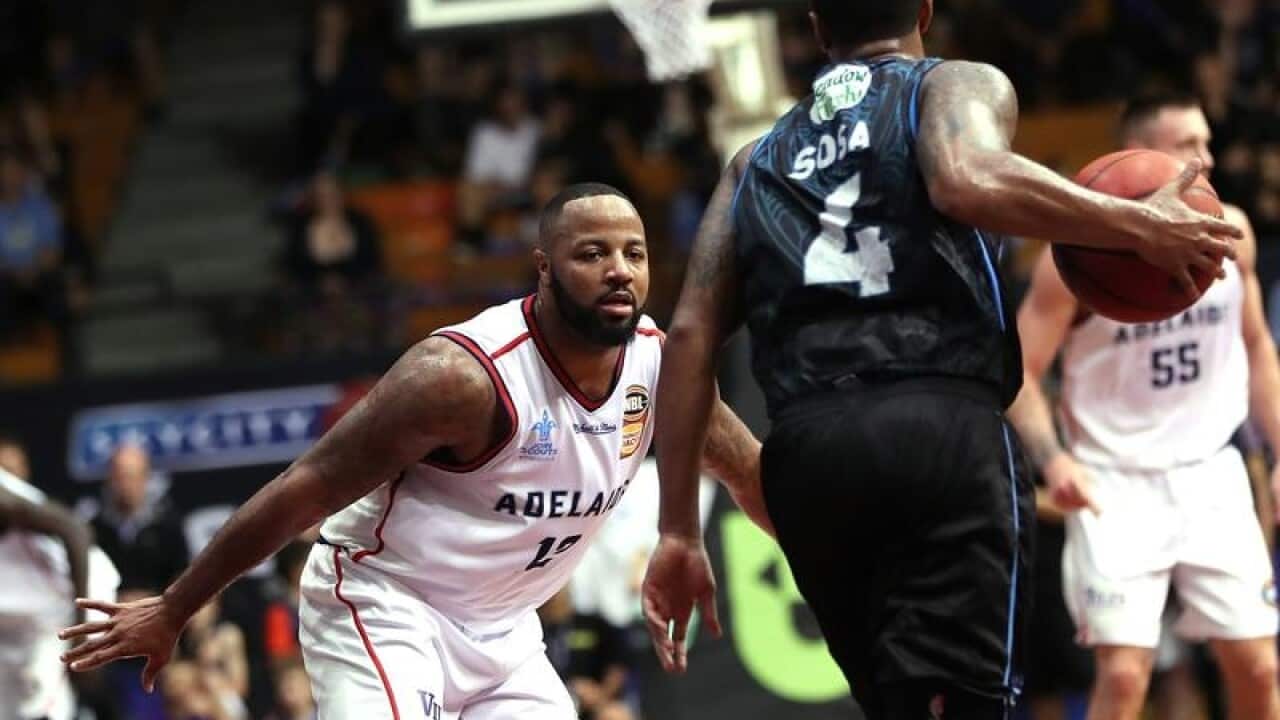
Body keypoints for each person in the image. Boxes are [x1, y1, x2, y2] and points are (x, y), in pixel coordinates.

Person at [640, 1, 1243, 718]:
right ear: (926, 10)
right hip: (940, 427)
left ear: (815, 26)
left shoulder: (755, 160)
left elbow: (685, 340)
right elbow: (965, 176)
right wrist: (1140, 224)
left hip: (810, 455)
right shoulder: (949, 84)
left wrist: (677, 527)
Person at [60, 183, 767, 718]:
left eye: (634, 253)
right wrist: (176, 607)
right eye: (592, 253)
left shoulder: (660, 370)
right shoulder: (461, 377)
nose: (620, 270)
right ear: (544, 269)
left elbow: (753, 477)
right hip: (385, 600)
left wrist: (858, 577)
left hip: (504, 632)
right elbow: (307, 486)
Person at [1007, 91, 1280, 720]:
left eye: (1207, 143)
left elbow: (1258, 345)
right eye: (1188, 146)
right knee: (1126, 679)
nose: (1206, 159)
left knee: (1259, 666)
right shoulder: (1076, 259)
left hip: (1210, 472)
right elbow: (1018, 368)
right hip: (1115, 483)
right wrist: (1055, 462)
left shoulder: (1234, 236)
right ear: (1143, 157)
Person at [0, 462, 119, 720]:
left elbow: (76, 530)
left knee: (48, 706)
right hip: (18, 616)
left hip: (67, 599)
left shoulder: (3, 497)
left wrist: (81, 627)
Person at [89, 443, 189, 598]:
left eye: (132, 476)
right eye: (120, 477)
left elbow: (182, 574)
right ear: (110, 479)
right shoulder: (94, 530)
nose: (126, 485)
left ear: (146, 478)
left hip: (159, 610)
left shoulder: (167, 526)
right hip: (108, 610)